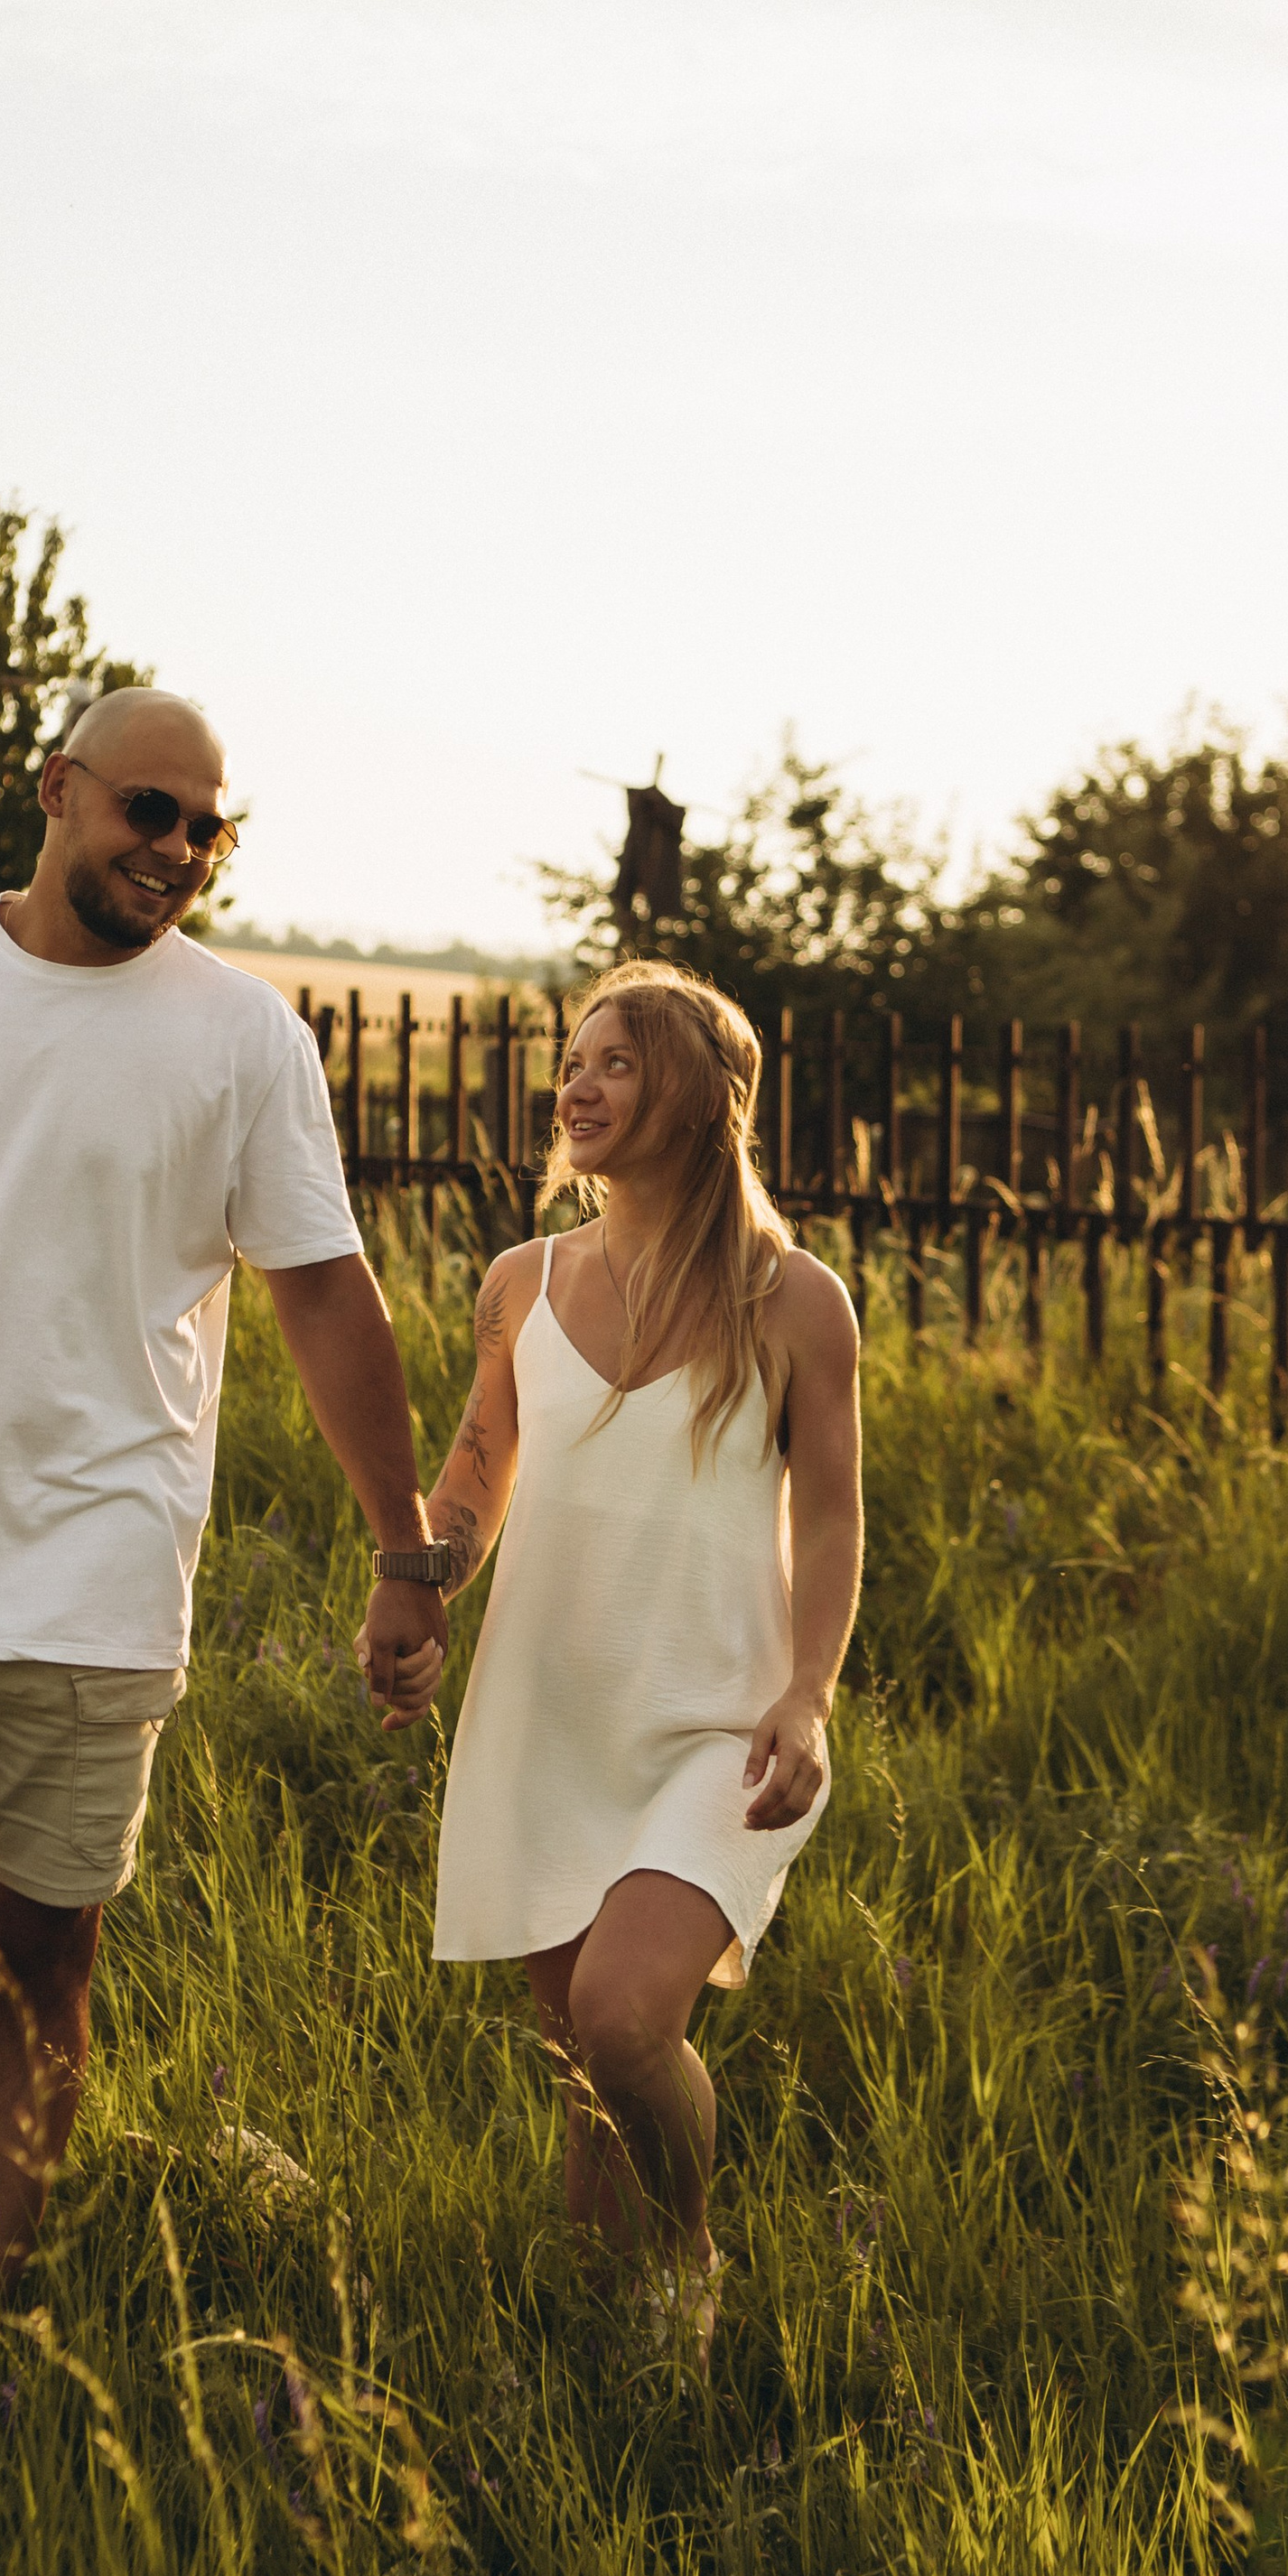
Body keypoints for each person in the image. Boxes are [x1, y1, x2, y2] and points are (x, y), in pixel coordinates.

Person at [0, 686, 449, 2306]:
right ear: (58, 789)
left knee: (47, 1955)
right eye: (151, 811)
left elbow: (324, 1294)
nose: (180, 849)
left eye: (211, 828)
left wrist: (403, 1549)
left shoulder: (245, 1039)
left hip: (99, 1564)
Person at [366, 962, 863, 2355]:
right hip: (548, 1720)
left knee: (626, 2021)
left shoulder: (796, 1301)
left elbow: (832, 1520)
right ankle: (614, 2373)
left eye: (617, 1064)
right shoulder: (520, 1284)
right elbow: (475, 1477)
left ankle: (691, 2259)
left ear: (699, 1097)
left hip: (725, 1729)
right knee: (587, 2081)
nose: (577, 1088)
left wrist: (809, 1696)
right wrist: (418, 1588)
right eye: (573, 1063)